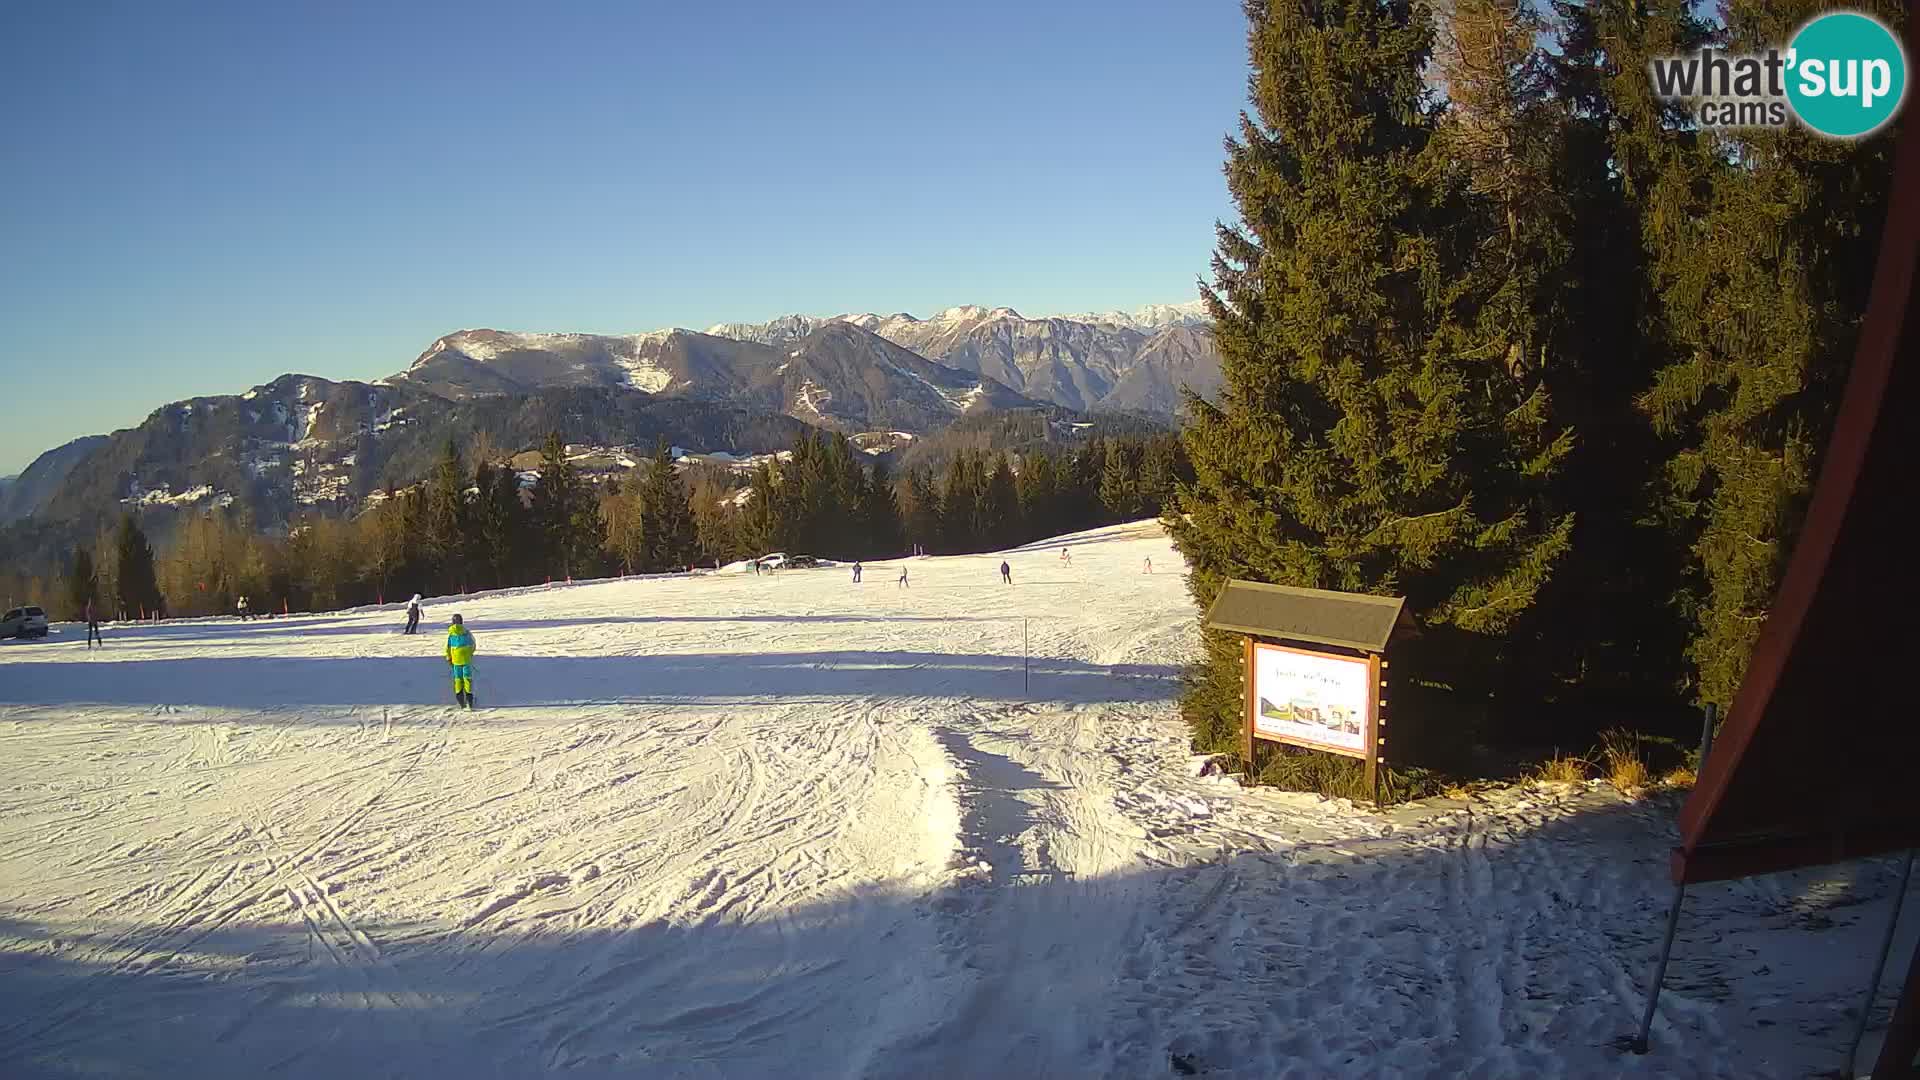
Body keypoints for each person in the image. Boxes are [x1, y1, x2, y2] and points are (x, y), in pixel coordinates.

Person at [446, 614, 476, 709]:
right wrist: (470, 654)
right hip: (466, 660)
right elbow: (473, 644)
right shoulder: (467, 633)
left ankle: (460, 700)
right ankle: (469, 699)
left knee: (458, 679)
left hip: (456, 660)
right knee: (467, 678)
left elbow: (448, 647)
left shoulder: (451, 634)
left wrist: (449, 658)